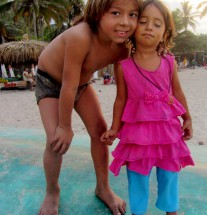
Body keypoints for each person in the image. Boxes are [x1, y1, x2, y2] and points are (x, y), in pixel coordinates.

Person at [35, 0, 142, 214]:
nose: (125, 22)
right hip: (50, 82)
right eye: (115, 13)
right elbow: (67, 86)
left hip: (80, 84)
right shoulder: (79, 37)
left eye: (132, 15)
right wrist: (65, 127)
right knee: (55, 140)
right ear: (97, 14)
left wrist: (115, 126)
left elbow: (123, 93)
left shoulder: (122, 49)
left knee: (99, 132)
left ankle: (103, 188)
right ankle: (52, 191)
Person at [101, 1, 195, 215]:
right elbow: (120, 99)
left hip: (167, 129)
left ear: (165, 32)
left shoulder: (169, 61)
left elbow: (177, 92)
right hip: (137, 132)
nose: (149, 27)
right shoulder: (123, 66)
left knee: (170, 172)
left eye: (157, 24)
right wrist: (115, 128)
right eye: (143, 22)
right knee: (137, 175)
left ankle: (171, 210)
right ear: (134, 28)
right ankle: (138, 211)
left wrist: (187, 117)